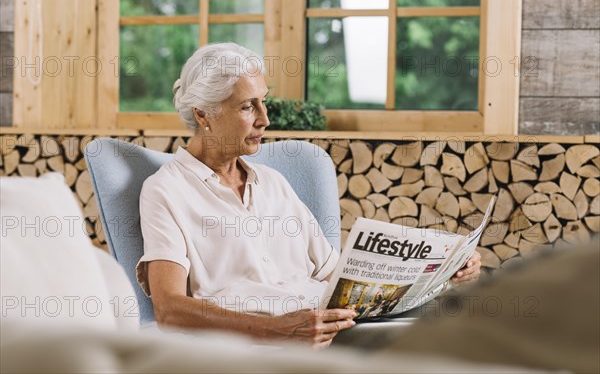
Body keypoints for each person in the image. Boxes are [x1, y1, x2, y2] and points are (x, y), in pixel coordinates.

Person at [136, 43, 481, 349]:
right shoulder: (166, 191)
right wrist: (276, 331)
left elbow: (336, 274)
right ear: (202, 114)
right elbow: (170, 309)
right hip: (263, 347)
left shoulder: (273, 183)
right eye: (247, 107)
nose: (265, 119)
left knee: (457, 332)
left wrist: (440, 273)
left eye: (264, 103)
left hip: (335, 330)